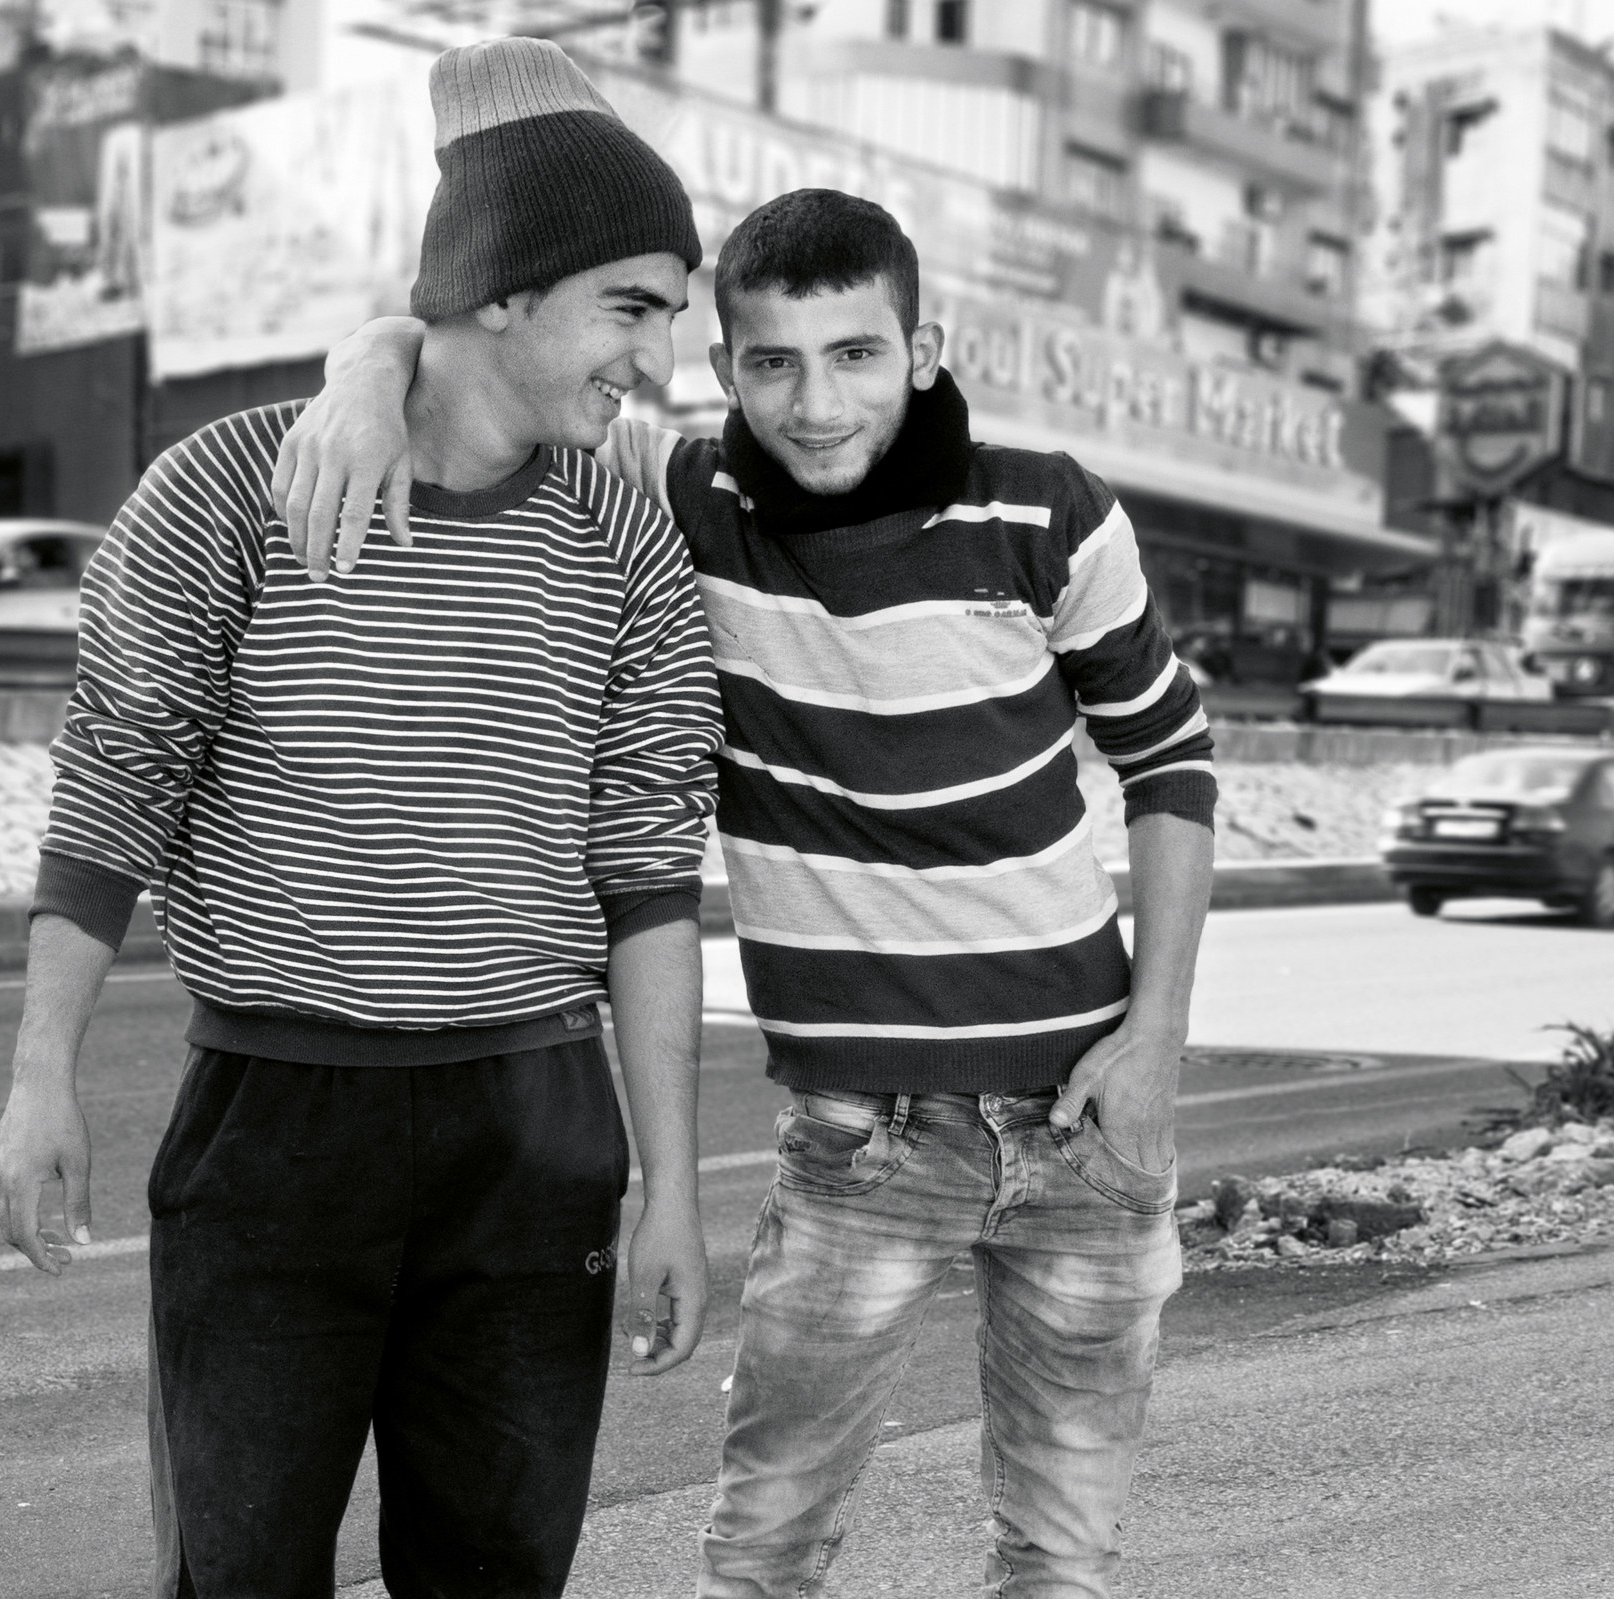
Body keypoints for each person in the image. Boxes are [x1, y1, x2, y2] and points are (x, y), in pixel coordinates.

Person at [282, 186, 1218, 1598]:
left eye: (853, 353)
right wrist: (361, 374)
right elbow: (482, 357)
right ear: (728, 372)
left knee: (1062, 1556)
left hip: (1088, 1121)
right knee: (765, 1547)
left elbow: (1172, 769)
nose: (815, 401)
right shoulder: (686, 497)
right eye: (771, 361)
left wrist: (1155, 1046)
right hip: (861, 1142)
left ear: (923, 348)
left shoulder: (1051, 510)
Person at [0, 38, 722, 1599]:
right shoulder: (223, 491)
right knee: (241, 1574)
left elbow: (652, 872)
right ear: (507, 293)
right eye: (633, 308)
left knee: (500, 1574)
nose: (654, 358)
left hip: (536, 1136)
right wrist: (39, 1075)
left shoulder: (629, 540)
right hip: (276, 1130)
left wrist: (671, 1185)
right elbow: (115, 781)